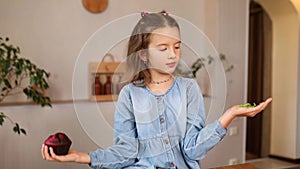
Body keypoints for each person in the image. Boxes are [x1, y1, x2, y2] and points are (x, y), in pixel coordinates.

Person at [41, 10, 272, 169]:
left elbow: (191, 150)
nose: (173, 54)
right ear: (143, 54)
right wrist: (83, 157)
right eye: (163, 48)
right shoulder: (129, 95)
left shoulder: (189, 89)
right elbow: (127, 151)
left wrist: (228, 115)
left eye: (177, 46)